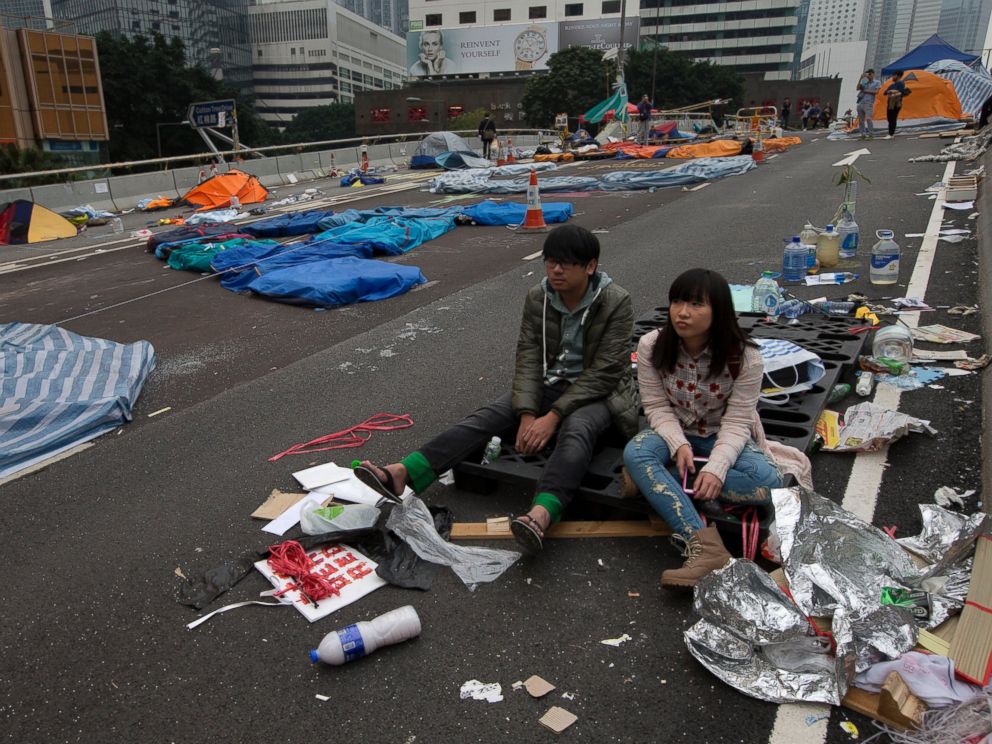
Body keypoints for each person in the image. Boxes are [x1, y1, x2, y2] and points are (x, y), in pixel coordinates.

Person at [356, 225, 638, 555]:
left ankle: (541, 514)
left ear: (590, 267)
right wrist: (527, 413)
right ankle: (403, 472)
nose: (556, 270)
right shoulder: (539, 297)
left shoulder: (616, 301)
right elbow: (529, 357)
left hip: (600, 394)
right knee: (488, 416)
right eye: (551, 262)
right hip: (550, 385)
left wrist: (552, 417)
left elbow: (605, 372)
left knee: (576, 430)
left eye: (567, 263)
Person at [622, 269, 811, 589]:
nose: (682, 312)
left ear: (719, 311)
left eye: (696, 304)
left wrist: (717, 469)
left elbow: (738, 421)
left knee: (768, 484)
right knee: (636, 452)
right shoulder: (652, 345)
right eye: (677, 302)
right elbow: (655, 408)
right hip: (675, 430)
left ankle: (658, 482)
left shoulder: (744, 356)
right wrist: (678, 445)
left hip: (722, 435)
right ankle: (705, 549)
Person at [884, 70, 911, 138]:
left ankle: (891, 134)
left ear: (898, 76)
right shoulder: (892, 85)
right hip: (890, 103)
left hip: (897, 103)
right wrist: (890, 91)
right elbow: (884, 92)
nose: (892, 77)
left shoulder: (901, 83)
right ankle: (890, 133)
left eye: (894, 75)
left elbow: (902, 91)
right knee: (889, 118)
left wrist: (894, 91)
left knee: (893, 118)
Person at [856, 69, 882, 139]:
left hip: (869, 103)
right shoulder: (865, 83)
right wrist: (861, 78)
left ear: (873, 74)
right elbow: (857, 88)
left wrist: (866, 91)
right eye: (868, 74)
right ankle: (863, 134)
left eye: (870, 74)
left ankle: (871, 134)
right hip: (861, 102)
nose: (869, 76)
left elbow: (876, 92)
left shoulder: (877, 82)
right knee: (861, 120)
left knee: (868, 118)